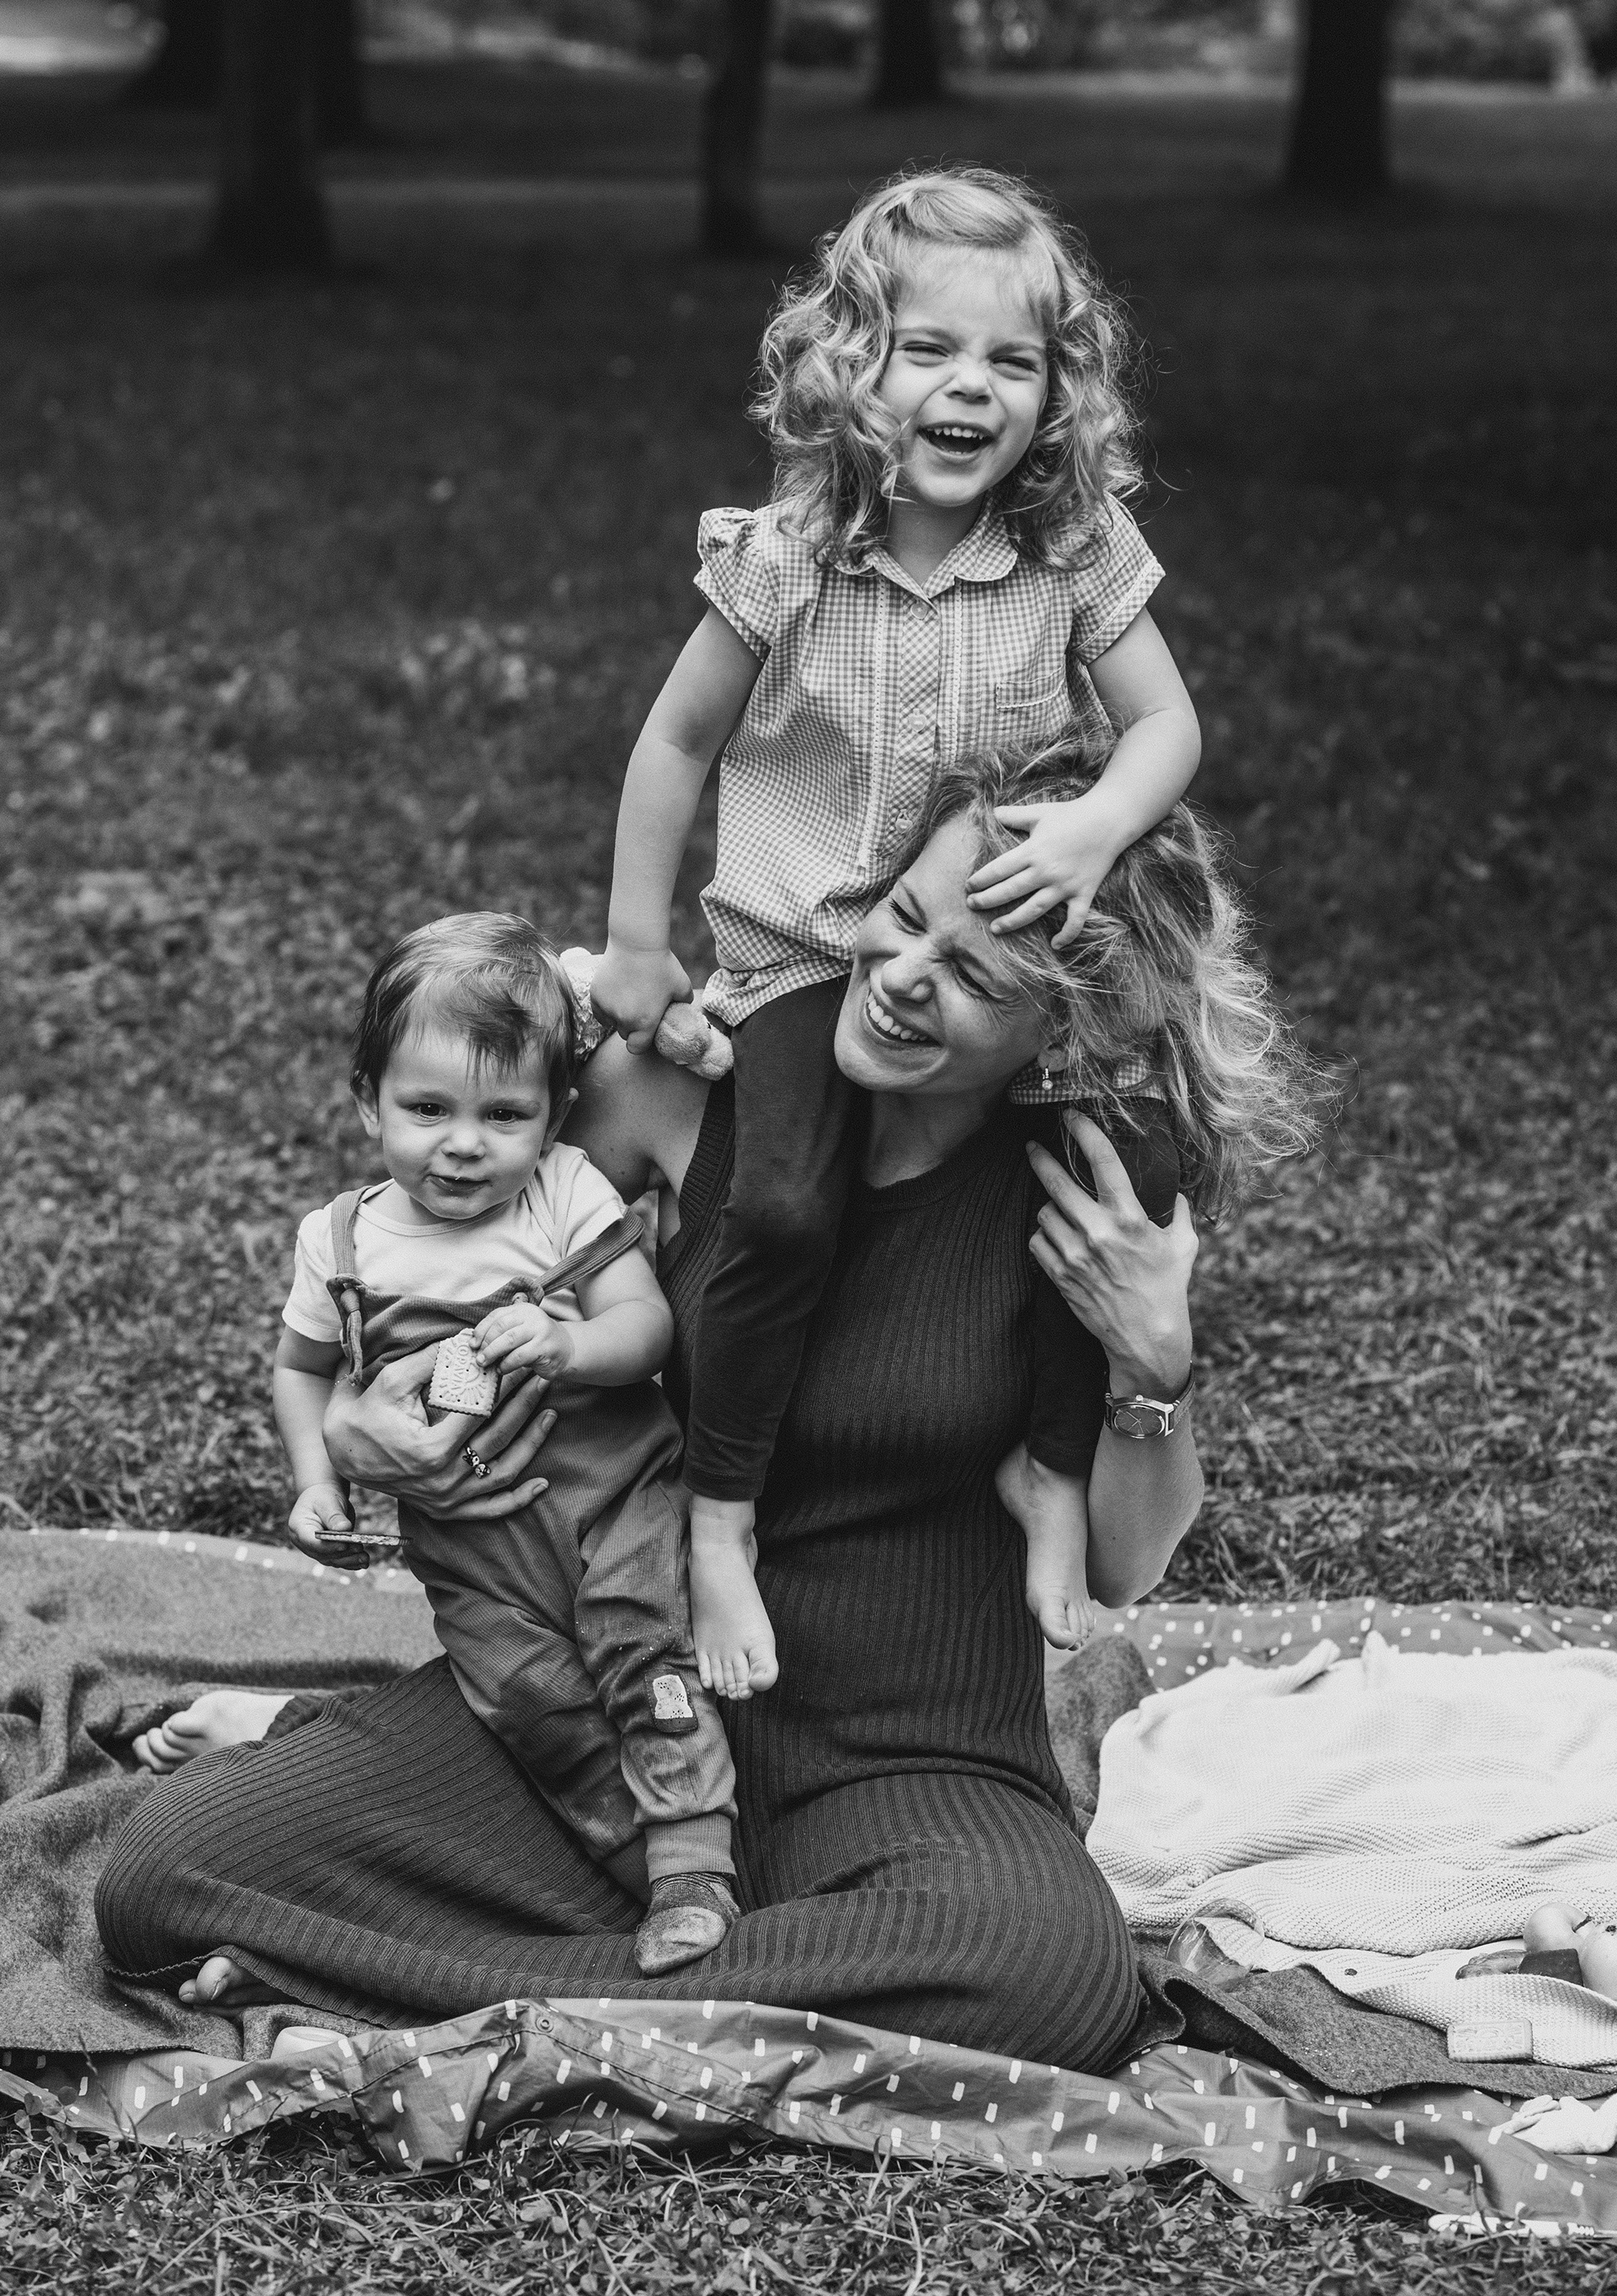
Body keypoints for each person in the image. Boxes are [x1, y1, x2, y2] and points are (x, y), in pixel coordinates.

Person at [97, 738, 1315, 2071]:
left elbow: (1121, 1566)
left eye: (974, 977)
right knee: (166, 1874)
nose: (903, 977)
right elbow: (468, 1276)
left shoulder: (1088, 1188)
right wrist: (358, 1429)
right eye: (906, 915)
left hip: (909, 1766)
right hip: (627, 1703)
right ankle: (670, 1970)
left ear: (1062, 1028)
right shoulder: (695, 1089)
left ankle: (424, 1980)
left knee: (1049, 1979)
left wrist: (1153, 1363)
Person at [589, 166, 1203, 1707]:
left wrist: (1094, 828)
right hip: (815, 953)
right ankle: (720, 1515)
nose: (970, 387)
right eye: (930, 349)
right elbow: (675, 742)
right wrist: (636, 948)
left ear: (1058, 394)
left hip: (991, 931)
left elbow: (1169, 728)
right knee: (783, 1206)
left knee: (1117, 1171)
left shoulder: (1071, 549)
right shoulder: (791, 553)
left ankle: (1049, 1469)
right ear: (853, 366)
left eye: (1013, 360)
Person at [276, 912, 741, 1976]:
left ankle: (692, 1861)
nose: (464, 1143)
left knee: (641, 1649)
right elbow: (302, 1371)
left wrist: (570, 1344)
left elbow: (646, 1327)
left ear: (556, 1114)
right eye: (427, 1109)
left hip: (609, 1499)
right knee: (530, 1703)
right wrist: (314, 1479)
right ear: (367, 1102)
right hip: (472, 1553)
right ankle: (624, 1871)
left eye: (504, 1114)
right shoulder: (339, 1243)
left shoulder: (562, 1193)